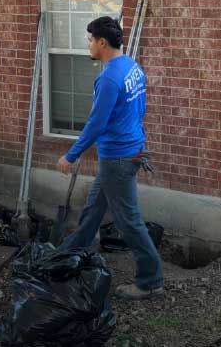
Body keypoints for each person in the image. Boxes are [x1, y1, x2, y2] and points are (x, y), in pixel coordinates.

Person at [56, 16, 164, 300]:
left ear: (102, 42)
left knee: (129, 222)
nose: (88, 45)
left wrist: (71, 155)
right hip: (127, 151)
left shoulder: (109, 78)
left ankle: (150, 281)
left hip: (118, 157)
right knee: (93, 210)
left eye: (90, 40)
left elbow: (96, 124)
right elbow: (140, 108)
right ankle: (68, 258)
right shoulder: (132, 66)